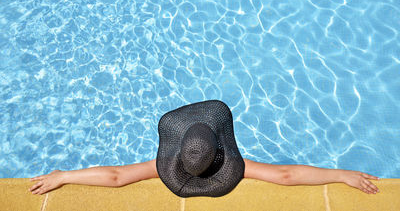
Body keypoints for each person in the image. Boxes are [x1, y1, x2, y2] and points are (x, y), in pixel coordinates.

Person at [30, 100, 380, 196]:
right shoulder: (236, 167)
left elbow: (117, 176)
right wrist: (340, 174)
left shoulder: (165, 163)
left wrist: (64, 176)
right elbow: (286, 175)